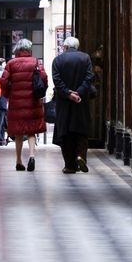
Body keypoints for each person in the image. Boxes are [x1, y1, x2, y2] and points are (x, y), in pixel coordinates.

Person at [50, 36, 95, 174]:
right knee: (81, 130)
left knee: (66, 132)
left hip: (64, 102)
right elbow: (89, 78)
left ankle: (70, 165)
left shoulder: (58, 60)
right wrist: (79, 93)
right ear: (77, 46)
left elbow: (57, 81)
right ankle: (80, 155)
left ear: (64, 46)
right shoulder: (85, 58)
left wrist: (68, 94)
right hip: (81, 102)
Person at [0, 38, 46, 171]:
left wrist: (8, 94)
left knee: (18, 132)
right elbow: (44, 78)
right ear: (29, 49)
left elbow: (3, 81)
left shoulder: (11, 63)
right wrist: (40, 93)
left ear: (17, 49)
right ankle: (32, 156)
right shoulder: (35, 62)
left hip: (16, 102)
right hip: (33, 101)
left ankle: (19, 160)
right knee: (32, 131)